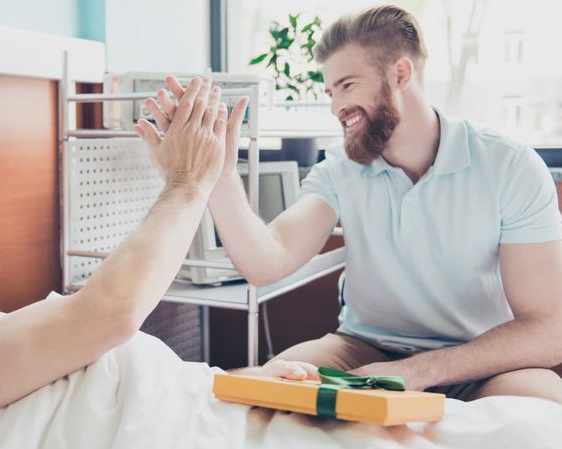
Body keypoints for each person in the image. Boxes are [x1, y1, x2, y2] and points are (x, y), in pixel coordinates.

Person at [0, 77, 317, 449]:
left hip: (237, 417)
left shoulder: (9, 344)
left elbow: (115, 392)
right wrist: (188, 180)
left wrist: (241, 383)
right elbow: (110, 317)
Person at [139, 5, 562, 403]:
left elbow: (549, 329)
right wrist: (218, 175)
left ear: (399, 73)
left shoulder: (509, 165)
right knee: (272, 384)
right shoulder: (340, 167)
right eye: (330, 91)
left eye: (347, 86)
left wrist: (419, 372)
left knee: (541, 403)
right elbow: (266, 262)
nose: (336, 107)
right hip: (362, 353)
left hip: (480, 361)